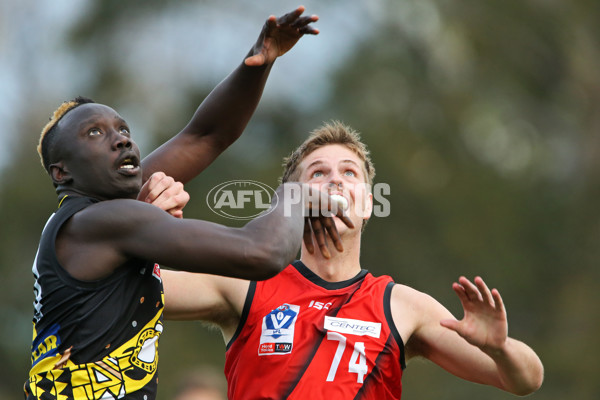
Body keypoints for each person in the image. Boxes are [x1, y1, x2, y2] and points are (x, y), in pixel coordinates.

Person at [24, 7, 352, 400]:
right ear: (62, 174)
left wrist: (258, 63)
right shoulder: (105, 219)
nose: (122, 139)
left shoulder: (95, 214)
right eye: (95, 133)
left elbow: (206, 136)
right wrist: (294, 194)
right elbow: (260, 253)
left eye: (123, 129)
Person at [161, 121, 544, 399]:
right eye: (318, 173)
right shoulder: (245, 284)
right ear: (292, 199)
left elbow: (525, 380)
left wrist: (499, 348)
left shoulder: (402, 306)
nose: (335, 181)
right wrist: (149, 219)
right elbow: (137, 288)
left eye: (349, 172)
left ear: (370, 204)